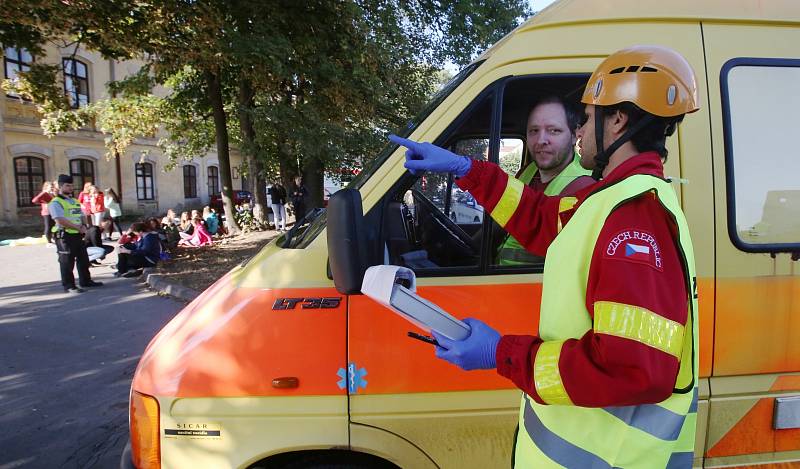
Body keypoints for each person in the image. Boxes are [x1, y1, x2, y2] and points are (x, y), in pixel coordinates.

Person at [390, 45, 700, 468]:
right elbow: (539, 218)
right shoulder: (608, 200)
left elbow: (631, 369)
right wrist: (467, 169)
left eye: (588, 118)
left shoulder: (634, 219)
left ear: (619, 120)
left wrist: (502, 353)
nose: (580, 132)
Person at [495, 96, 594, 265]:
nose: (541, 140)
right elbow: (499, 224)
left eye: (554, 130)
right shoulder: (526, 172)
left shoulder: (583, 187)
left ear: (573, 136)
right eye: (534, 130)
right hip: (498, 281)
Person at [48, 174, 104, 293]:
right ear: (60, 186)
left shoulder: (74, 201)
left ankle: (85, 281)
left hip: (77, 234)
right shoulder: (56, 202)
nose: (70, 188)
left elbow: (81, 215)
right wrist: (78, 228)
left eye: (72, 185)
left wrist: (84, 226)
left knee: (83, 259)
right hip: (64, 235)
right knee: (67, 262)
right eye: (67, 185)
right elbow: (59, 219)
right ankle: (69, 286)